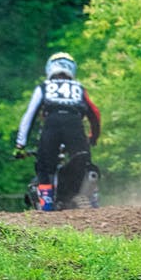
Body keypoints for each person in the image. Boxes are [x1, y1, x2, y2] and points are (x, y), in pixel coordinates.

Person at [14, 51, 101, 210]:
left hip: (51, 124)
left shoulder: (44, 87)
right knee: (83, 159)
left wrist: (20, 144)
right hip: (75, 125)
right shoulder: (79, 88)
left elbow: (30, 114)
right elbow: (94, 113)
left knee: (44, 165)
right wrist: (93, 137)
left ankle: (46, 204)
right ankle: (86, 198)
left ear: (50, 68)